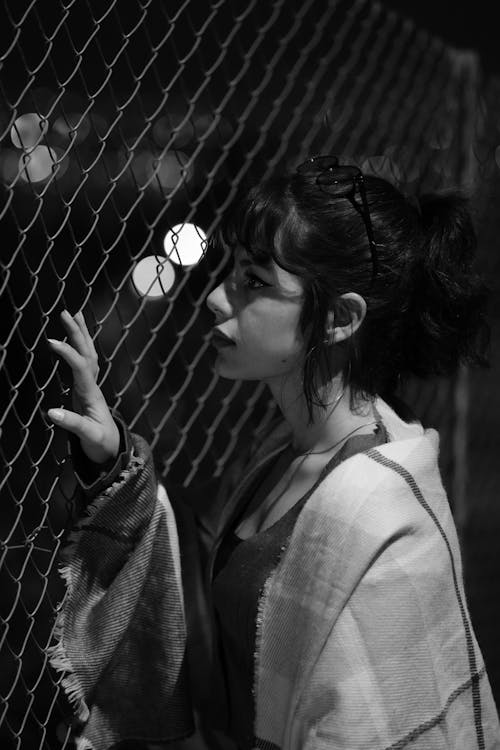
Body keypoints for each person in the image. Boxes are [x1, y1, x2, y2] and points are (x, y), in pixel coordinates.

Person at [46, 155, 500, 750]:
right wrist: (112, 463)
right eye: (231, 269)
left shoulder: (386, 521)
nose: (214, 298)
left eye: (255, 282)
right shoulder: (282, 452)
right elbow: (194, 579)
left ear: (339, 317)